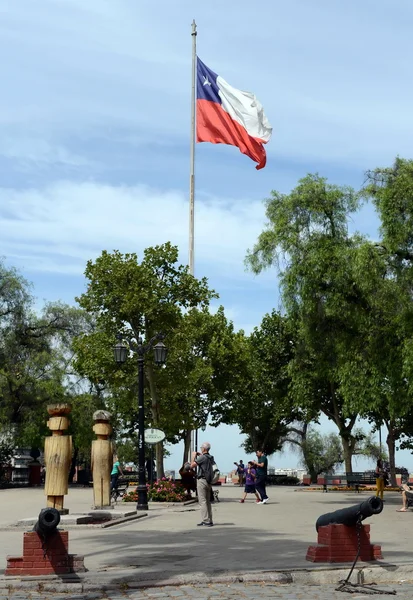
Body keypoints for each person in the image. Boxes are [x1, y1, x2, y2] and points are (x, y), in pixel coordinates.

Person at [189, 441, 214, 527]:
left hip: (202, 481)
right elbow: (204, 463)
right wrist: (200, 455)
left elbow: (191, 466)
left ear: (203, 448)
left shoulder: (202, 458)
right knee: (207, 501)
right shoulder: (211, 457)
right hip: (209, 481)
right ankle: (209, 519)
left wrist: (193, 456)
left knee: (202, 501)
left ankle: (206, 520)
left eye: (201, 448)